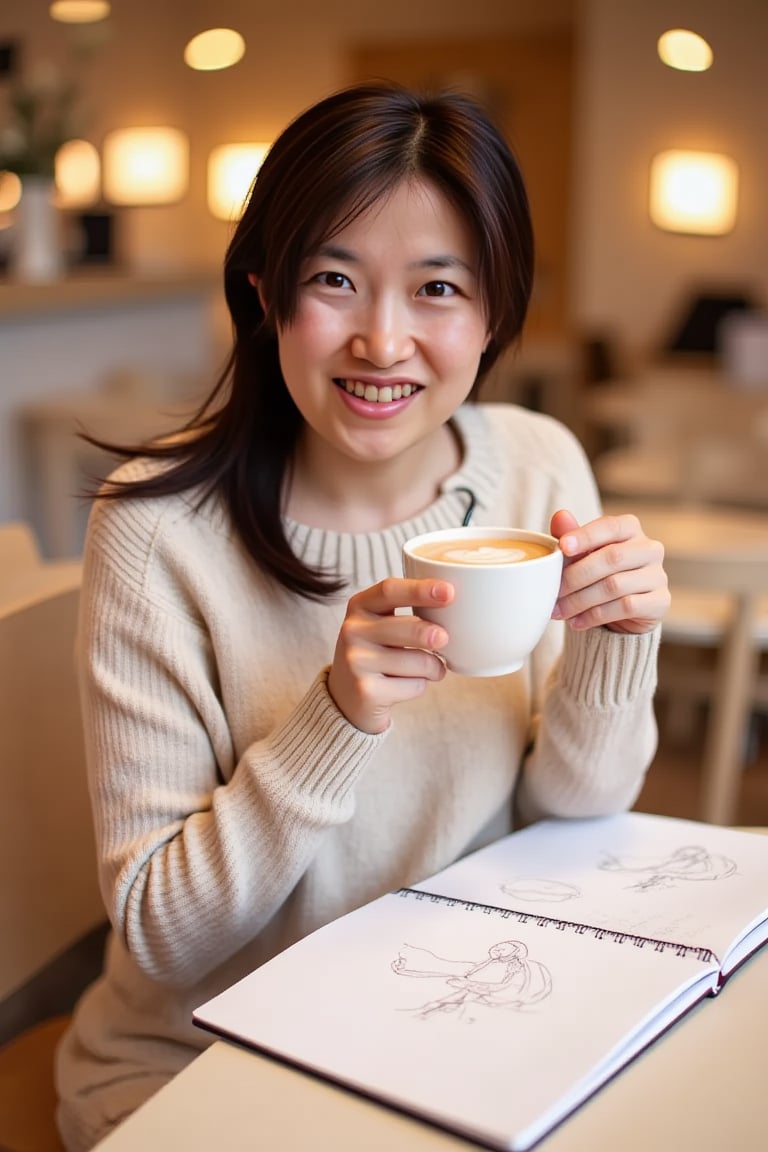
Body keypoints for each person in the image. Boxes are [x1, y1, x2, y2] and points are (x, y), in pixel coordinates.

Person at [56, 81, 669, 1150]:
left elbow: (575, 809)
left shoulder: (537, 464)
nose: (383, 342)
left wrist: (614, 651)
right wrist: (334, 717)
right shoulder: (160, 534)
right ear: (264, 294)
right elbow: (157, 934)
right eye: (334, 280)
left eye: (437, 289)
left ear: (494, 313)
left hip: (451, 1033)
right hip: (207, 1058)